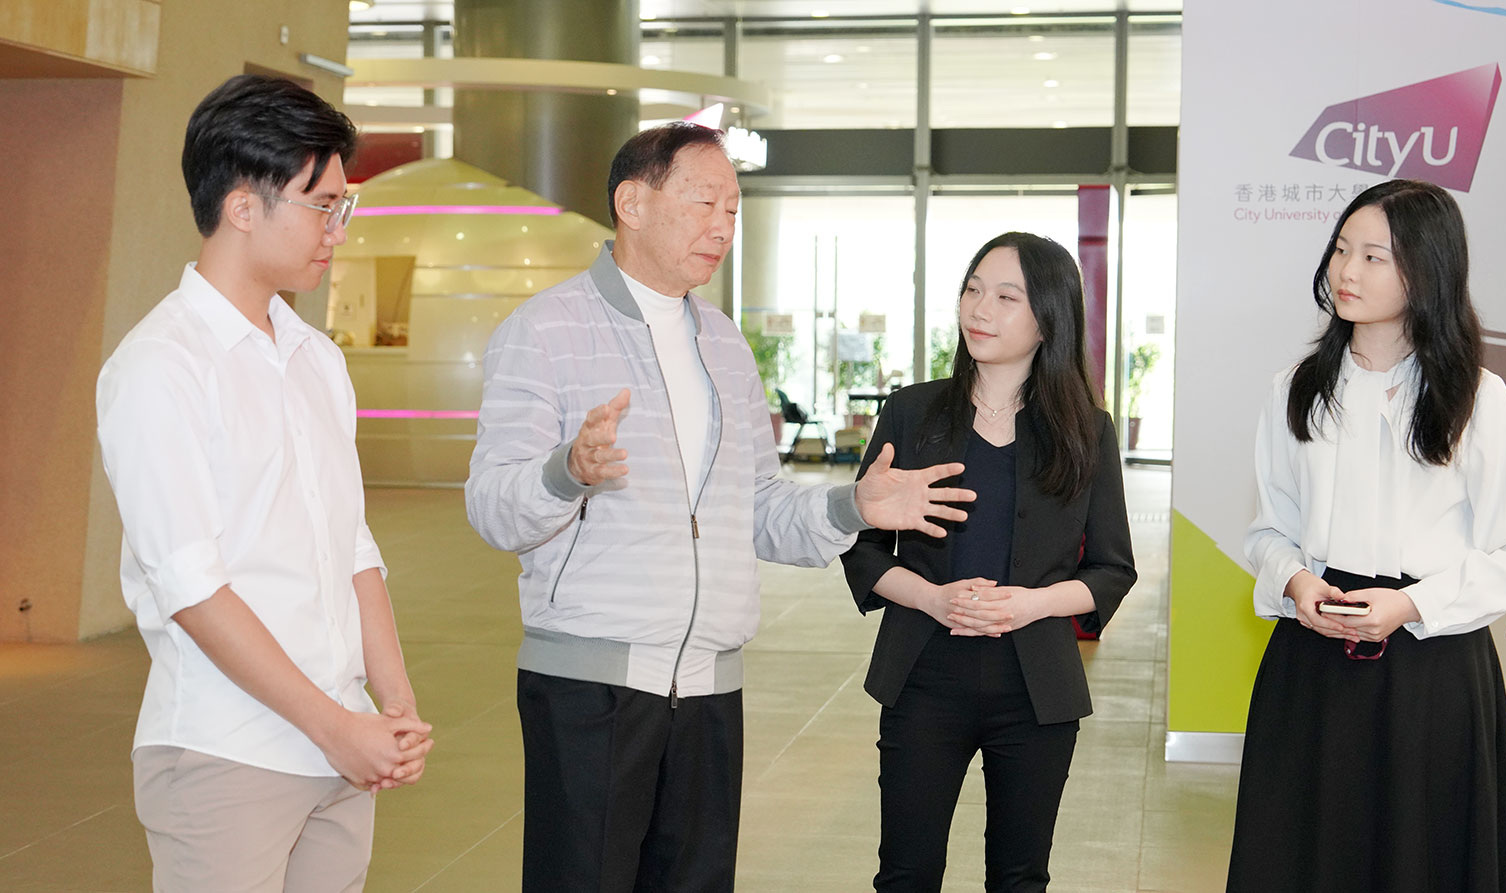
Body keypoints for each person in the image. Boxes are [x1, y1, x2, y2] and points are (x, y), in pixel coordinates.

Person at [464, 121, 977, 892]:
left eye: (734, 210)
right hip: (593, 686)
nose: (722, 227)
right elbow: (493, 507)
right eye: (705, 203)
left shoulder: (724, 344)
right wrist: (568, 471)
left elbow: (760, 509)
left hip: (710, 687)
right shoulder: (544, 331)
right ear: (630, 203)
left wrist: (855, 507)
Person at [96, 74, 434, 892]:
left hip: (341, 741)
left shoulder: (316, 358)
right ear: (243, 206)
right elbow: (191, 587)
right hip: (228, 750)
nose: (337, 231)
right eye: (324, 206)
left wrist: (392, 706)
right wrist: (337, 726)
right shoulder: (159, 367)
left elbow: (351, 546)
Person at [1229, 179, 1506, 891]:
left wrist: (1408, 607)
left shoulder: (1476, 396)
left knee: (1424, 857)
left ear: (1426, 269)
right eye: (1343, 249)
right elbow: (1268, 528)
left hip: (1429, 663)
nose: (1347, 271)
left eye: (1374, 256)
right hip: (1313, 657)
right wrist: (1294, 580)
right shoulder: (1296, 387)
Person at [840, 232, 1137, 891]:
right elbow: (861, 546)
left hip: (1035, 687)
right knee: (906, 873)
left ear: (1047, 318)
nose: (980, 308)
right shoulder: (911, 412)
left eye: (1006, 297)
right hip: (923, 675)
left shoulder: (1087, 431)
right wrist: (930, 597)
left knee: (1020, 877)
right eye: (973, 289)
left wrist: (1031, 602)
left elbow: (1112, 570)